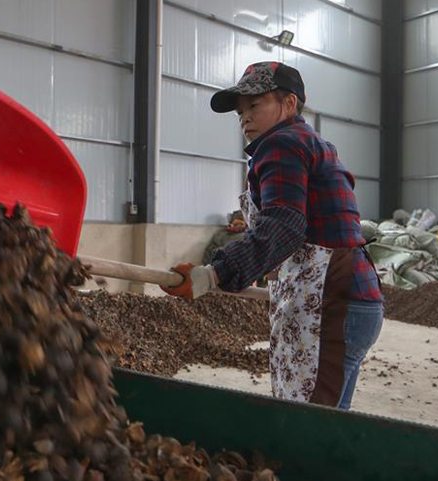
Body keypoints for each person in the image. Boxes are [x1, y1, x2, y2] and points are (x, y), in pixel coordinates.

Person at [163, 61, 383, 410]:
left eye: (255, 105)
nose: (244, 118)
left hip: (330, 304)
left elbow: (283, 225)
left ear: (289, 103)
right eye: (239, 112)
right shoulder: (309, 142)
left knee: (306, 428)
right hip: (348, 300)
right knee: (323, 423)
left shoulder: (281, 145)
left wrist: (213, 273)